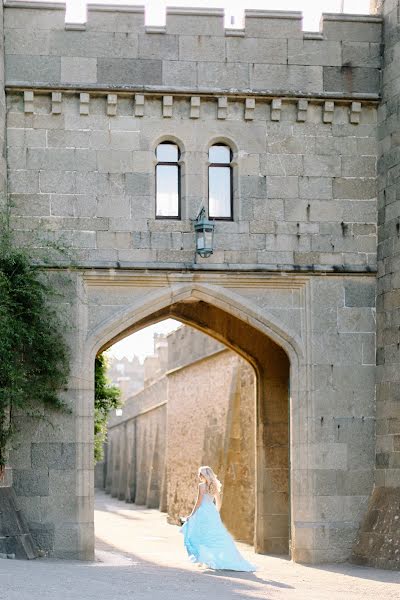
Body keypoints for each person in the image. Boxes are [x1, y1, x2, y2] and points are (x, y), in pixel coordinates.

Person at [179, 465, 256, 571]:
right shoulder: (214, 485)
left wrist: (191, 515)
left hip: (203, 512)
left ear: (204, 475)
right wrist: (216, 512)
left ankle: (205, 559)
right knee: (216, 536)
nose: (199, 476)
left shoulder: (201, 486)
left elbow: (199, 502)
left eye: (200, 474)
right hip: (212, 512)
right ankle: (214, 560)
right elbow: (218, 501)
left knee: (201, 535)